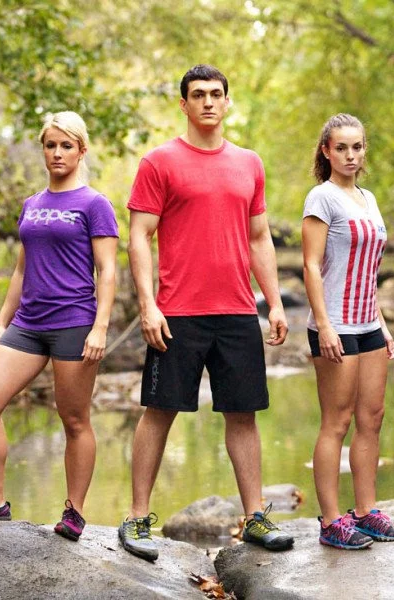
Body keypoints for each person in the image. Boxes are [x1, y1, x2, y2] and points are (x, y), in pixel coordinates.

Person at [118, 64, 293, 561]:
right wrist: (148, 305)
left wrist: (274, 301)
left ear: (227, 101)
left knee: (243, 414)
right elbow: (138, 236)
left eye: (217, 94)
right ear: (184, 104)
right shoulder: (159, 162)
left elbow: (259, 237)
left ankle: (255, 517)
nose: (209, 102)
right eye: (198, 95)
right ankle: (135, 518)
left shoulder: (249, 163)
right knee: (160, 410)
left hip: (237, 310)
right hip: (177, 312)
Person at [0, 111, 119, 542]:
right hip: (28, 323)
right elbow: (21, 272)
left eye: (66, 145)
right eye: (50, 145)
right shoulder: (32, 204)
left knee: (75, 419)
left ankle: (75, 512)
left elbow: (109, 271)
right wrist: (2, 324)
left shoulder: (95, 204)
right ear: (43, 150)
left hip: (74, 323)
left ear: (81, 151)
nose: (57, 153)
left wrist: (100, 328)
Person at [301, 114, 394, 550]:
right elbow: (310, 265)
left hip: (368, 326)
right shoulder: (321, 198)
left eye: (357, 147)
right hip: (335, 328)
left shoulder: (369, 198)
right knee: (337, 421)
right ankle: (330, 521)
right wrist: (324, 326)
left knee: (372, 419)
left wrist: (381, 323)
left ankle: (365, 512)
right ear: (327, 151)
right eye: (341, 147)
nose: (350, 155)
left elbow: (370, 270)